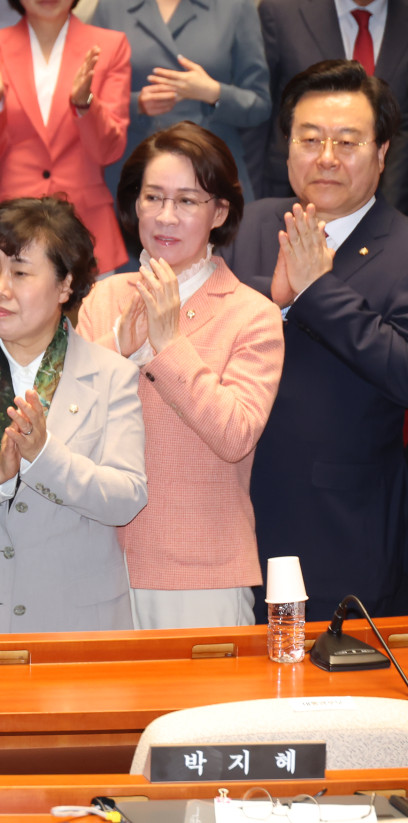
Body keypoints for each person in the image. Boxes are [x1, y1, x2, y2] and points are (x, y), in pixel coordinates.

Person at [0, 197, 147, 634]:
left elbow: (128, 497)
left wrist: (46, 457)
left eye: (20, 272)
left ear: (65, 285)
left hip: (76, 623)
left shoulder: (112, 374)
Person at [77, 122, 284, 629]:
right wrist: (116, 350)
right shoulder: (104, 298)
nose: (166, 217)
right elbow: (64, 422)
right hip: (96, 565)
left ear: (220, 212)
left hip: (200, 573)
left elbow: (234, 434)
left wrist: (168, 345)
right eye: (154, 197)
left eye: (188, 201)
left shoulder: (252, 314)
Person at [221, 60, 408, 621]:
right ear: (287, 149)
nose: (326, 157)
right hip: (227, 526)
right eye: (310, 139)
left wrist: (317, 293)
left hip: (340, 531)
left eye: (346, 141)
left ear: (380, 154)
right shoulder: (248, 227)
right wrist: (275, 297)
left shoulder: (402, 249)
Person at [0, 0, 131, 273]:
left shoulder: (109, 46)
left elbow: (109, 151)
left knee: (91, 317)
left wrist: (85, 103)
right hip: (9, 225)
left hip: (86, 228)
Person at [91, 0, 270, 203]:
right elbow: (88, 98)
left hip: (210, 169)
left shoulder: (235, 6)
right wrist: (135, 104)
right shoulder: (111, 6)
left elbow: (260, 105)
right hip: (135, 170)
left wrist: (213, 93)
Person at [254, 0, 408, 211]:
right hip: (287, 198)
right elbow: (260, 114)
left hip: (394, 201)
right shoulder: (281, 11)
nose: (328, 158)